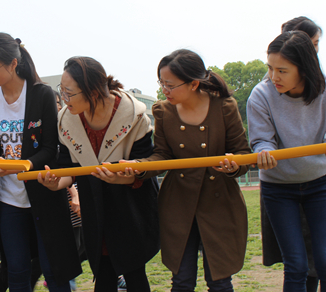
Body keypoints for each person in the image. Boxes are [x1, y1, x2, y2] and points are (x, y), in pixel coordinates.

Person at [0, 32, 81, 292]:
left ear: (13, 64)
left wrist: (24, 165)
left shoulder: (42, 95)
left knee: (54, 269)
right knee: (16, 269)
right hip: (9, 202)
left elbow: (52, 148)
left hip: (44, 195)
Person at [131, 49, 251, 291]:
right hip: (178, 204)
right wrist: (138, 167)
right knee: (182, 281)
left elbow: (243, 153)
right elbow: (162, 155)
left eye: (170, 85)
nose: (165, 90)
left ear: (194, 84)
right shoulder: (163, 111)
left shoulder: (224, 106)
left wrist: (233, 164)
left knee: (219, 281)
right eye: (161, 83)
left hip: (219, 203)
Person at [39, 56, 160, 292]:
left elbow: (146, 165)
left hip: (131, 205)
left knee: (135, 274)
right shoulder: (67, 120)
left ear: (93, 92)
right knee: (103, 273)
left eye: (70, 93)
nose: (65, 99)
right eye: (62, 91)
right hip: (94, 207)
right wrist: (56, 183)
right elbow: (69, 169)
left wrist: (124, 176)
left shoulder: (133, 115)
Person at [247, 31, 326, 291]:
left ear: (303, 68)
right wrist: (265, 151)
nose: (273, 77)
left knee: (325, 261)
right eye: (270, 68)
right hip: (279, 188)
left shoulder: (323, 91)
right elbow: (261, 139)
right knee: (297, 265)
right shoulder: (261, 95)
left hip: (320, 183)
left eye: (282, 70)